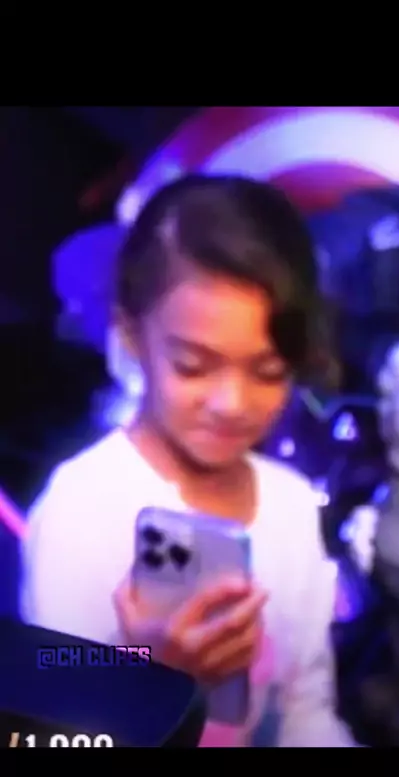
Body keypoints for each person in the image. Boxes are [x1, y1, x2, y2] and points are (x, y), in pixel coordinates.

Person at [21, 174, 356, 747]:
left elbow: (306, 711)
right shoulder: (79, 514)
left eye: (268, 372)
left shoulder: (292, 506)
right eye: (193, 366)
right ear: (132, 335)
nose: (231, 403)